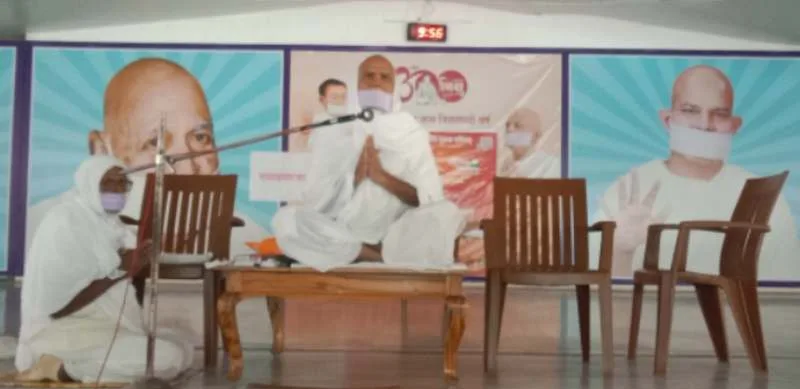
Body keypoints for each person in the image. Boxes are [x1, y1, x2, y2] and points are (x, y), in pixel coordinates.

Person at [25, 57, 267, 257]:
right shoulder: (48, 226)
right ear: (102, 150)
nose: (186, 168)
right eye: (155, 143)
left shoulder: (246, 238)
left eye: (201, 137)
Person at [592, 65, 800, 278]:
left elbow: (789, 286)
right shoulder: (627, 193)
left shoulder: (764, 197)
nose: (704, 125)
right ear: (668, 120)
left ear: (734, 125)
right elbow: (596, 287)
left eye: (719, 114)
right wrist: (620, 250)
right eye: (690, 110)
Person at [272, 54, 465, 271]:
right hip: (346, 231)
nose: (376, 82)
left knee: (446, 212)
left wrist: (381, 176)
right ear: (357, 85)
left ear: (394, 87)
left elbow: (428, 199)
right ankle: (372, 255)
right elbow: (320, 203)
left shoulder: (411, 132)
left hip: (397, 234)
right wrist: (355, 176)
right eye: (369, 76)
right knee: (287, 220)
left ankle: (370, 253)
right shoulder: (337, 129)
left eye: (384, 77)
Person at [15, 155, 194, 383]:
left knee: (183, 346)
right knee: (166, 358)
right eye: (108, 182)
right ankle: (58, 368)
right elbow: (56, 309)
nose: (117, 190)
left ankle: (82, 366)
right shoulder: (65, 221)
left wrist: (137, 260)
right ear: (89, 183)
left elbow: (118, 268)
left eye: (122, 183)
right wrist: (120, 269)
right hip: (63, 332)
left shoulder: (109, 224)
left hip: (103, 328)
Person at [499, 107, 560, 179]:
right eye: (507, 125)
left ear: (536, 136)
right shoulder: (502, 164)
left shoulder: (552, 165)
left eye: (518, 126)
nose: (509, 130)